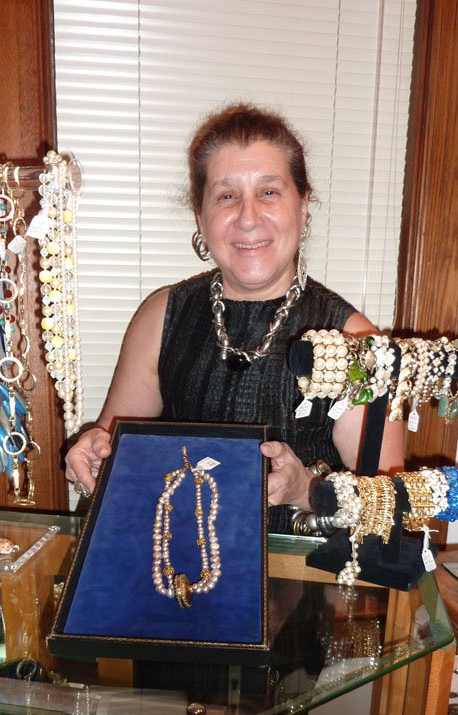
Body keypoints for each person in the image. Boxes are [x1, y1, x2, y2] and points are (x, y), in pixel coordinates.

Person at [66, 104, 403, 531]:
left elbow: (388, 508)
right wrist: (94, 454)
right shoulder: (161, 316)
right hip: (175, 568)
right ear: (201, 218)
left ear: (302, 206)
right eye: (226, 196)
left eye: (269, 192)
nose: (247, 217)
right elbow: (119, 456)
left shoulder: (355, 341)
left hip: (303, 587)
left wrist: (305, 490)